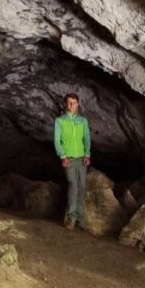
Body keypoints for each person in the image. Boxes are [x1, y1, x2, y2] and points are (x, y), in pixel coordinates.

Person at [54, 92, 91, 230]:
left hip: (82, 159)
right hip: (68, 159)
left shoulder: (83, 120)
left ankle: (80, 220)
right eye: (69, 102)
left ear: (78, 104)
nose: (72, 105)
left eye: (74, 102)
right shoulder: (60, 121)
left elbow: (86, 138)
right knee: (73, 186)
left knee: (82, 187)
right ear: (66, 104)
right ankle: (71, 219)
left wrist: (87, 154)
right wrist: (62, 156)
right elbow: (57, 141)